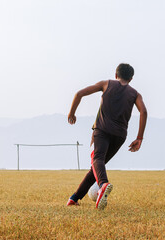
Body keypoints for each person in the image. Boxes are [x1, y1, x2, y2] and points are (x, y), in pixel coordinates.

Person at [66, 63, 147, 210]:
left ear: (116, 75)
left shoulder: (106, 84)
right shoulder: (135, 94)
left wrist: (71, 113)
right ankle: (74, 198)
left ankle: (103, 184)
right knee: (97, 166)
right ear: (131, 79)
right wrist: (139, 138)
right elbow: (144, 112)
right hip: (120, 136)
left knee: (97, 160)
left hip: (102, 131)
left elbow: (79, 94)